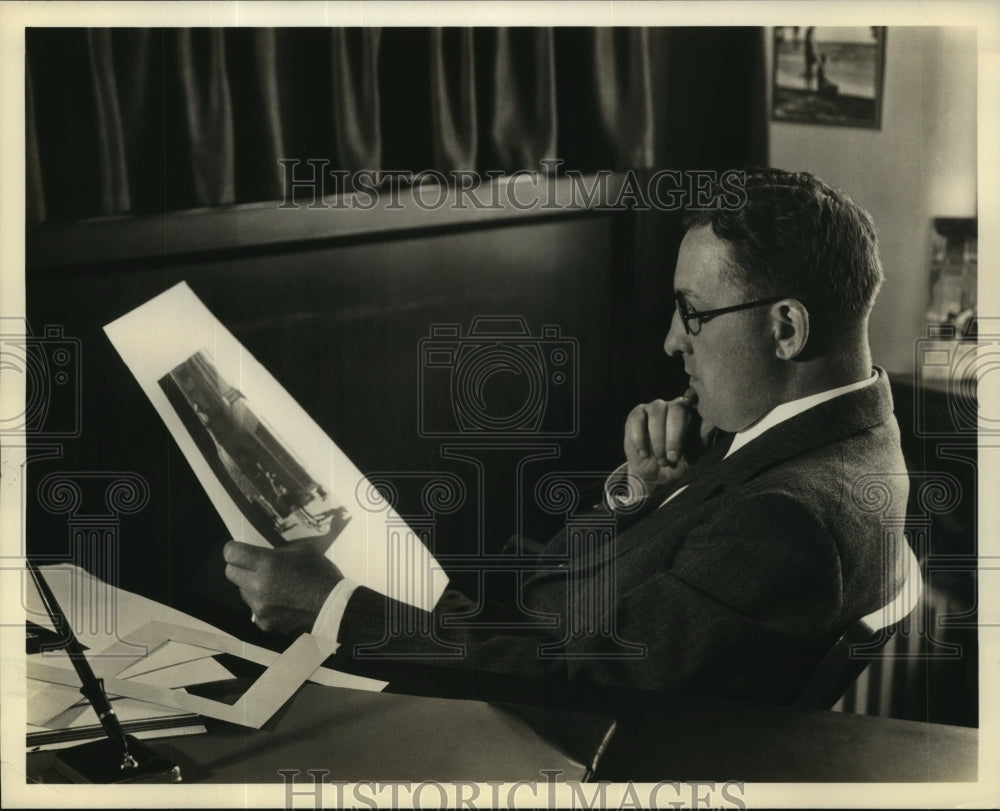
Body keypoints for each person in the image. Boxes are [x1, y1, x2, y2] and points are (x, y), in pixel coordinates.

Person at [223, 169, 909, 704]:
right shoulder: (831, 436)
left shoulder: (786, 518)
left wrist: (338, 609)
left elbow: (565, 685)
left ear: (786, 328)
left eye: (692, 313)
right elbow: (559, 605)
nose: (672, 341)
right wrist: (639, 494)